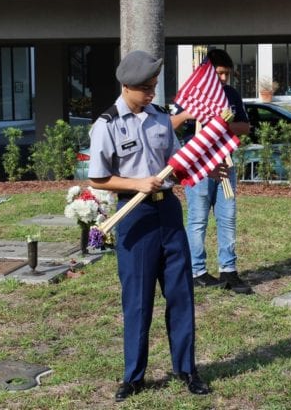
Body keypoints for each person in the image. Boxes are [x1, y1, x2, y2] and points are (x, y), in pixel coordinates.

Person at [87, 50, 209, 402]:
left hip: (168, 213)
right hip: (134, 216)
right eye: (145, 88)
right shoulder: (107, 125)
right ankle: (133, 376)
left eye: (154, 86)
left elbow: (176, 163)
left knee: (181, 293)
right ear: (126, 86)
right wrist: (136, 183)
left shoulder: (159, 119)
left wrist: (203, 167)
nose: (152, 94)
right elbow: (98, 178)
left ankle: (186, 368)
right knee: (138, 301)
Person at [171, 49, 253, 294]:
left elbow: (245, 126)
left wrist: (222, 124)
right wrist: (189, 114)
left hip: (225, 163)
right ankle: (197, 271)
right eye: (220, 73)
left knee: (227, 218)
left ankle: (229, 269)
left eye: (228, 73)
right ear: (207, 73)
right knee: (198, 220)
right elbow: (171, 125)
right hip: (199, 166)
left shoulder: (231, 95)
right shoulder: (191, 94)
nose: (225, 78)